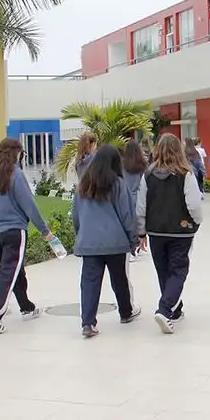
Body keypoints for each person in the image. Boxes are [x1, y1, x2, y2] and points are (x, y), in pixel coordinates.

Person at [0, 138, 51, 334]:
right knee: (8, 273)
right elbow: (29, 205)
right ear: (16, 153)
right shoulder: (16, 174)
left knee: (15, 270)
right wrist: (45, 230)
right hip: (14, 231)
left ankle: (26, 306)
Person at [73, 145, 142, 338]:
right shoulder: (118, 184)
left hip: (89, 242)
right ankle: (126, 312)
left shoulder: (83, 185)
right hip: (115, 241)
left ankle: (88, 322)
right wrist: (133, 238)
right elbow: (127, 215)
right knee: (119, 279)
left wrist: (81, 235)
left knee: (89, 282)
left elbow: (76, 216)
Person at [144, 134, 203, 334]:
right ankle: (165, 309)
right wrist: (197, 221)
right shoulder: (186, 173)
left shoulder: (148, 175)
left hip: (155, 231)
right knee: (178, 270)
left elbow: (141, 205)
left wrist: (141, 230)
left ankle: (174, 308)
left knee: (164, 270)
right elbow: (194, 204)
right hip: (180, 230)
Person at [122, 140, 149, 259]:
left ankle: (130, 247)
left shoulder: (122, 165)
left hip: (125, 196)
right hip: (138, 196)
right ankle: (137, 245)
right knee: (139, 223)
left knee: (127, 223)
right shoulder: (142, 164)